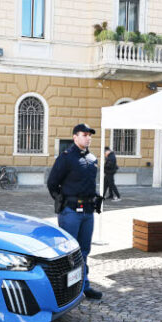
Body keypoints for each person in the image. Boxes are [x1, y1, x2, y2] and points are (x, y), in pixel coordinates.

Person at [47, 123, 103, 300]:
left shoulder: (92, 158)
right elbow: (52, 183)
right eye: (84, 134)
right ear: (75, 137)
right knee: (68, 253)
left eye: (89, 135)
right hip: (70, 212)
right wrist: (62, 202)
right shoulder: (66, 158)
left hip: (88, 212)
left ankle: (83, 285)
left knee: (84, 251)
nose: (88, 137)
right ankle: (65, 290)